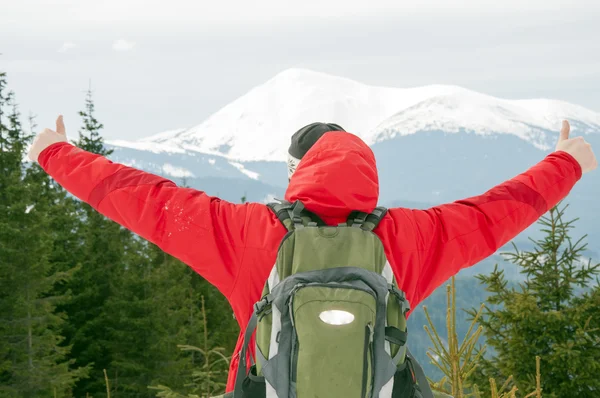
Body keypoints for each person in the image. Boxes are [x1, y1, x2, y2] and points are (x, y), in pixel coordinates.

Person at [28, 116, 597, 393]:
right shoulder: (408, 239)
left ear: (298, 172)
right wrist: (566, 162)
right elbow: (495, 212)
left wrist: (56, 153)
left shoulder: (247, 233)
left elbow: (148, 200)